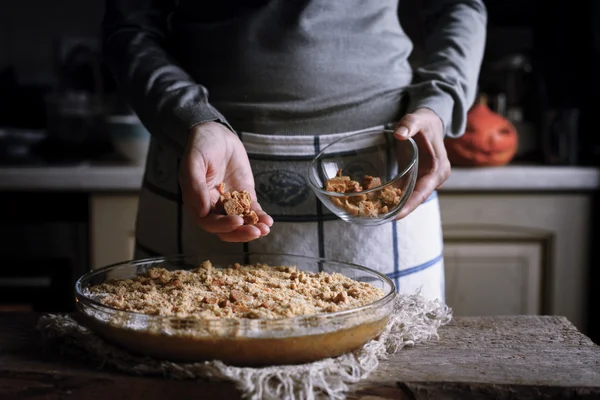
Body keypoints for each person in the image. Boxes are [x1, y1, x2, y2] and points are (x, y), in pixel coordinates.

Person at [102, 0, 487, 301]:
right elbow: (130, 27)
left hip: (385, 167)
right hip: (205, 162)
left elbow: (460, 6)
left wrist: (440, 100)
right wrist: (190, 118)